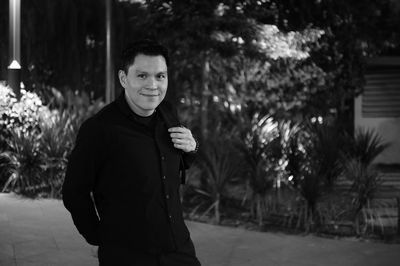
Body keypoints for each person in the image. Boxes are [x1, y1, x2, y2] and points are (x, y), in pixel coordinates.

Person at [62, 39, 201, 266]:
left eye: (160, 76)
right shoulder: (99, 129)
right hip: (128, 254)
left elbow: (173, 164)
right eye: (142, 75)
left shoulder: (168, 113)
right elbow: (73, 192)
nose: (153, 85)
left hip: (179, 249)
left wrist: (192, 147)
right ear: (123, 78)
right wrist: (97, 236)